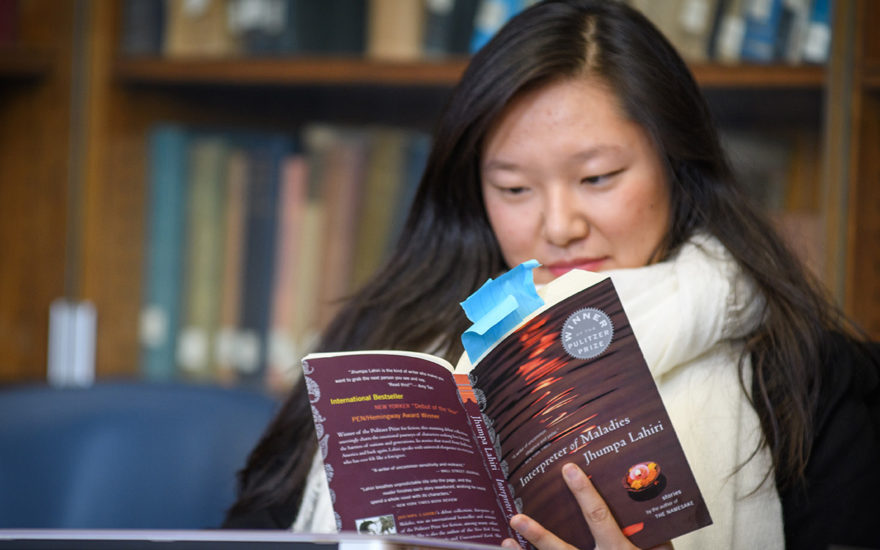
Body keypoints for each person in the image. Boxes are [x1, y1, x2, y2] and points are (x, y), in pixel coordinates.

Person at [223, 1, 880, 549]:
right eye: (513, 188)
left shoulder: (805, 380)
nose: (559, 225)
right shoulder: (387, 335)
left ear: (678, 170)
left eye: (598, 179)